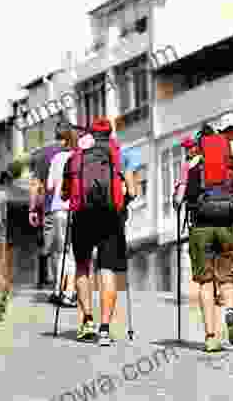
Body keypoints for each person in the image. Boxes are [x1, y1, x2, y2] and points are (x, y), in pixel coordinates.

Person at [174, 114, 233, 353]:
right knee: (227, 279)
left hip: (201, 227)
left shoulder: (191, 164)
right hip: (228, 226)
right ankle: (229, 311)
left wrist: (179, 202)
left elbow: (179, 199)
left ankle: (210, 336)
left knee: (206, 282)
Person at [62, 117, 133, 345]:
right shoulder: (118, 155)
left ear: (90, 134)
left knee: (83, 267)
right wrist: (123, 202)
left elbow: (64, 194)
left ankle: (87, 322)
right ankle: (104, 329)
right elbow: (132, 190)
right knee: (107, 271)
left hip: (82, 217)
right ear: (110, 133)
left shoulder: (76, 157)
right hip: (111, 218)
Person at [29, 122, 78, 308]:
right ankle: (69, 290)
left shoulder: (45, 155)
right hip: (77, 208)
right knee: (73, 251)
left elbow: (40, 185)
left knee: (58, 251)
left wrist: (33, 209)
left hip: (53, 208)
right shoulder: (79, 154)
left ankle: (59, 289)